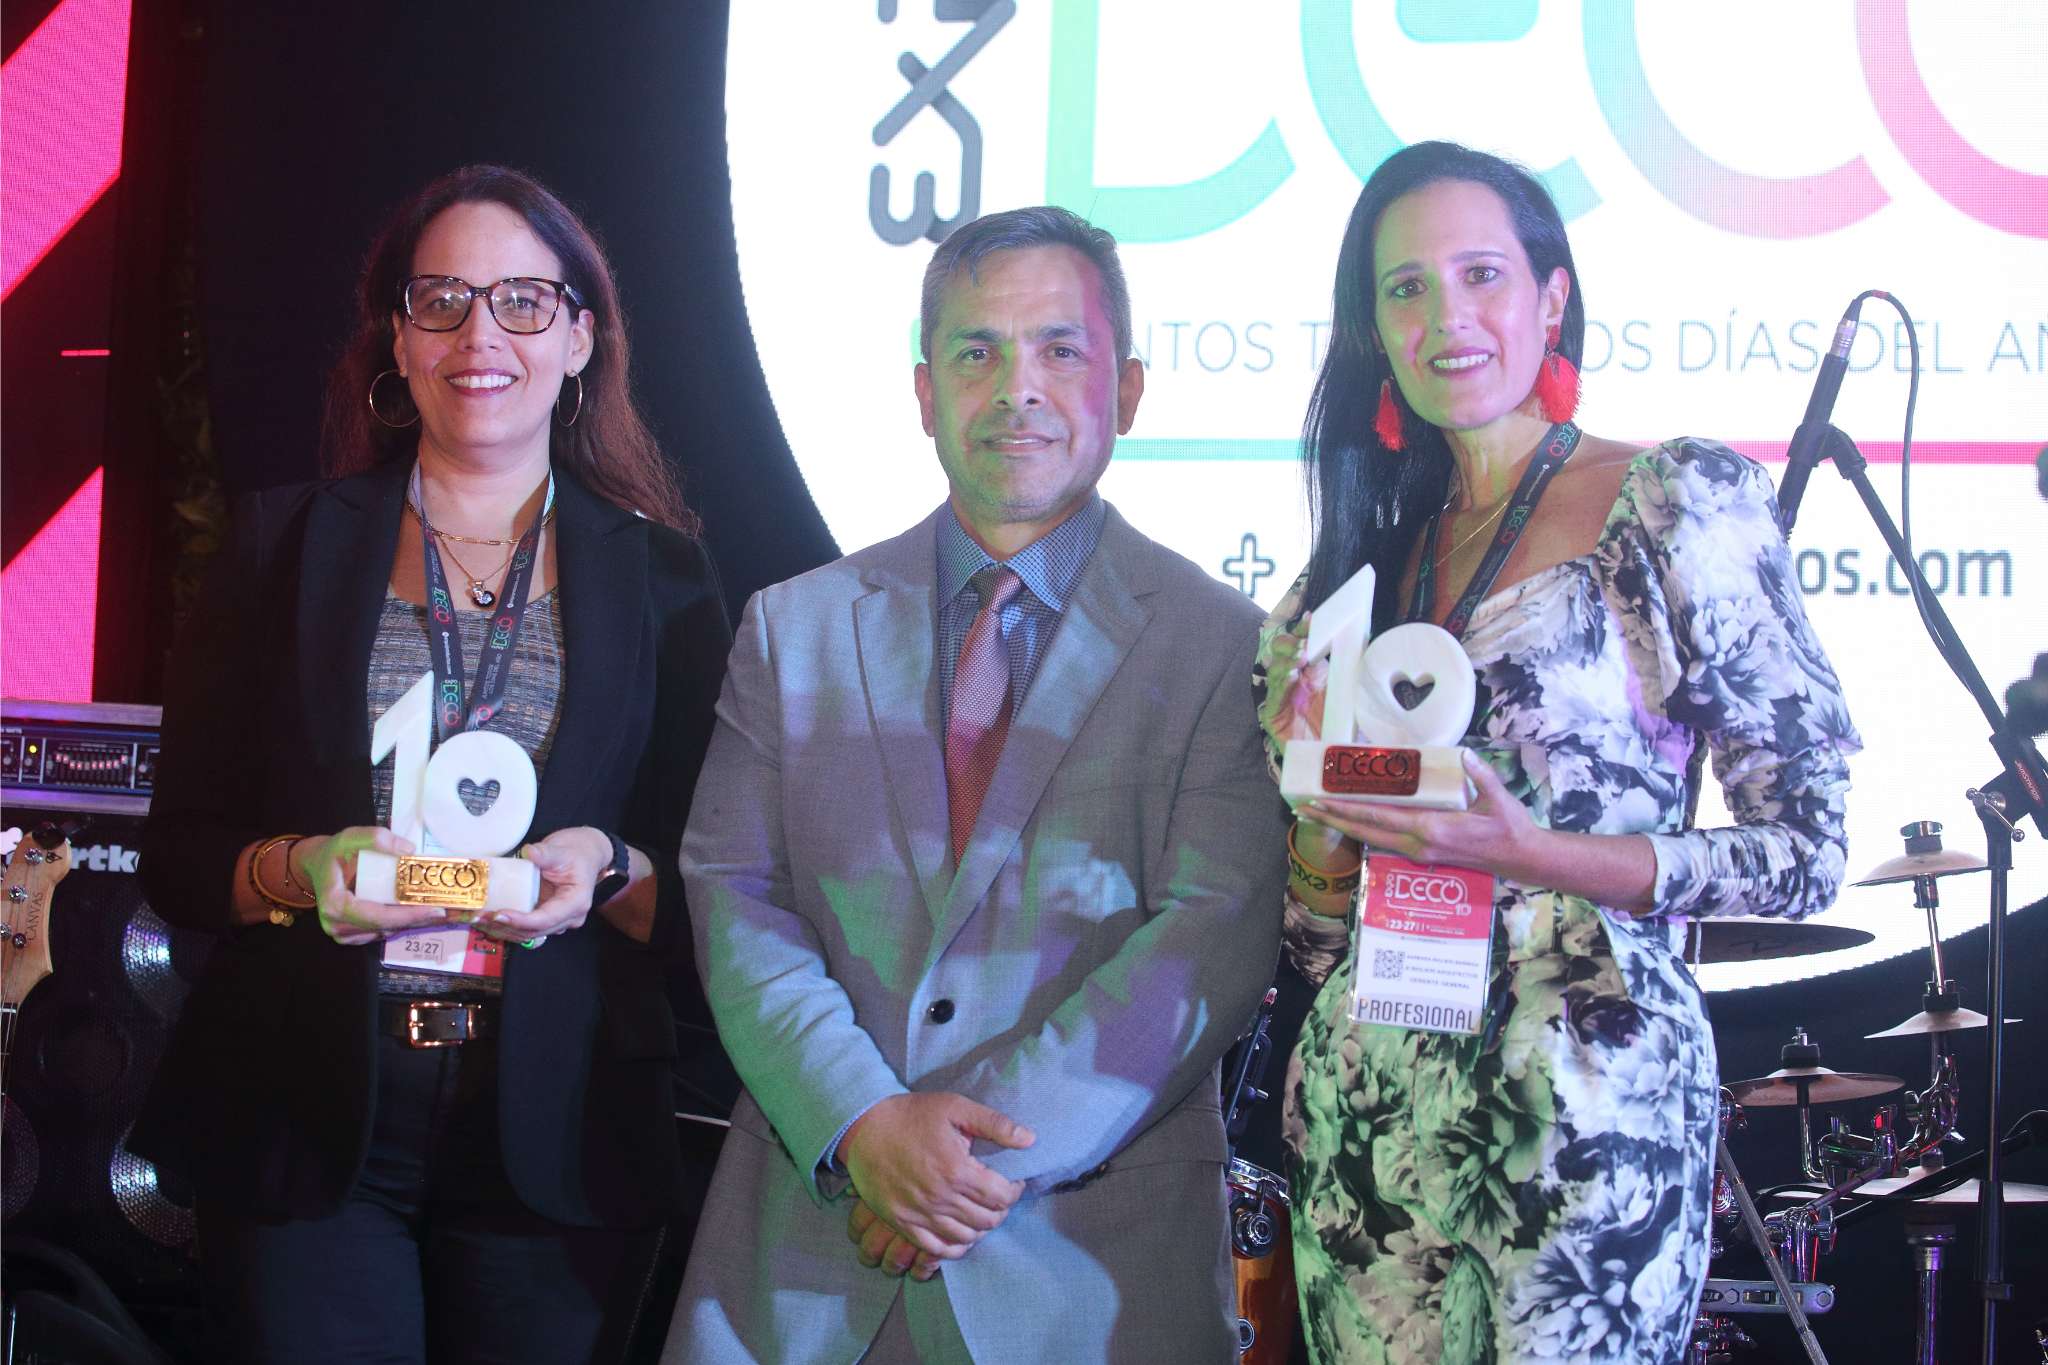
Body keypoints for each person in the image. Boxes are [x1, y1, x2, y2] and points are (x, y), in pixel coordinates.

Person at [1254, 142, 1860, 1363]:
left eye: (1478, 274)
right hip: (1369, 1101)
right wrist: (1322, 807)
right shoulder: (1343, 580)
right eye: (1405, 288)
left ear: (1551, 299)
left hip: (1582, 1090)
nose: (1445, 318)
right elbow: (1316, 940)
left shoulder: (1668, 501)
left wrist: (1532, 853)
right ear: (1373, 331)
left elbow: (1802, 853)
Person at [663, 205, 1287, 1364]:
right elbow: (735, 895)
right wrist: (862, 1126)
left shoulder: (1227, 644)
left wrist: (954, 1168)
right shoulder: (793, 628)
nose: (1017, 390)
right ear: (922, 391)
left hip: (1092, 1280)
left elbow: (1212, 933)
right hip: (805, 1268)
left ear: (1129, 389)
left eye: (1059, 350)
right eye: (975, 352)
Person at [134, 164, 733, 1364]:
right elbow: (182, 856)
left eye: (522, 302)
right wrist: (303, 869)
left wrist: (606, 868)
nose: (479, 336)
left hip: (558, 1127)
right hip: (306, 1120)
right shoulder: (279, 545)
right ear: (396, 341)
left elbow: (717, 886)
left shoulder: (664, 582)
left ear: (578, 338)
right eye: (441, 301)